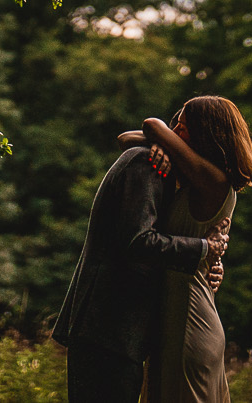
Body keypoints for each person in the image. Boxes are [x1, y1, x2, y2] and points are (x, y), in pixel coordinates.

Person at [51, 118, 227, 403]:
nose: (176, 131)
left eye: (184, 127)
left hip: (119, 331)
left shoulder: (169, 171)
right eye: (176, 127)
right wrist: (203, 248)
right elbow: (138, 240)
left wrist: (208, 263)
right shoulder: (148, 163)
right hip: (109, 326)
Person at [118, 96, 252, 403]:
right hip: (174, 319)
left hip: (188, 322)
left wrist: (161, 139)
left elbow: (150, 126)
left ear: (206, 134)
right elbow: (126, 138)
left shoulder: (215, 180)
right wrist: (161, 146)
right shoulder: (196, 179)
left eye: (182, 127)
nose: (173, 130)